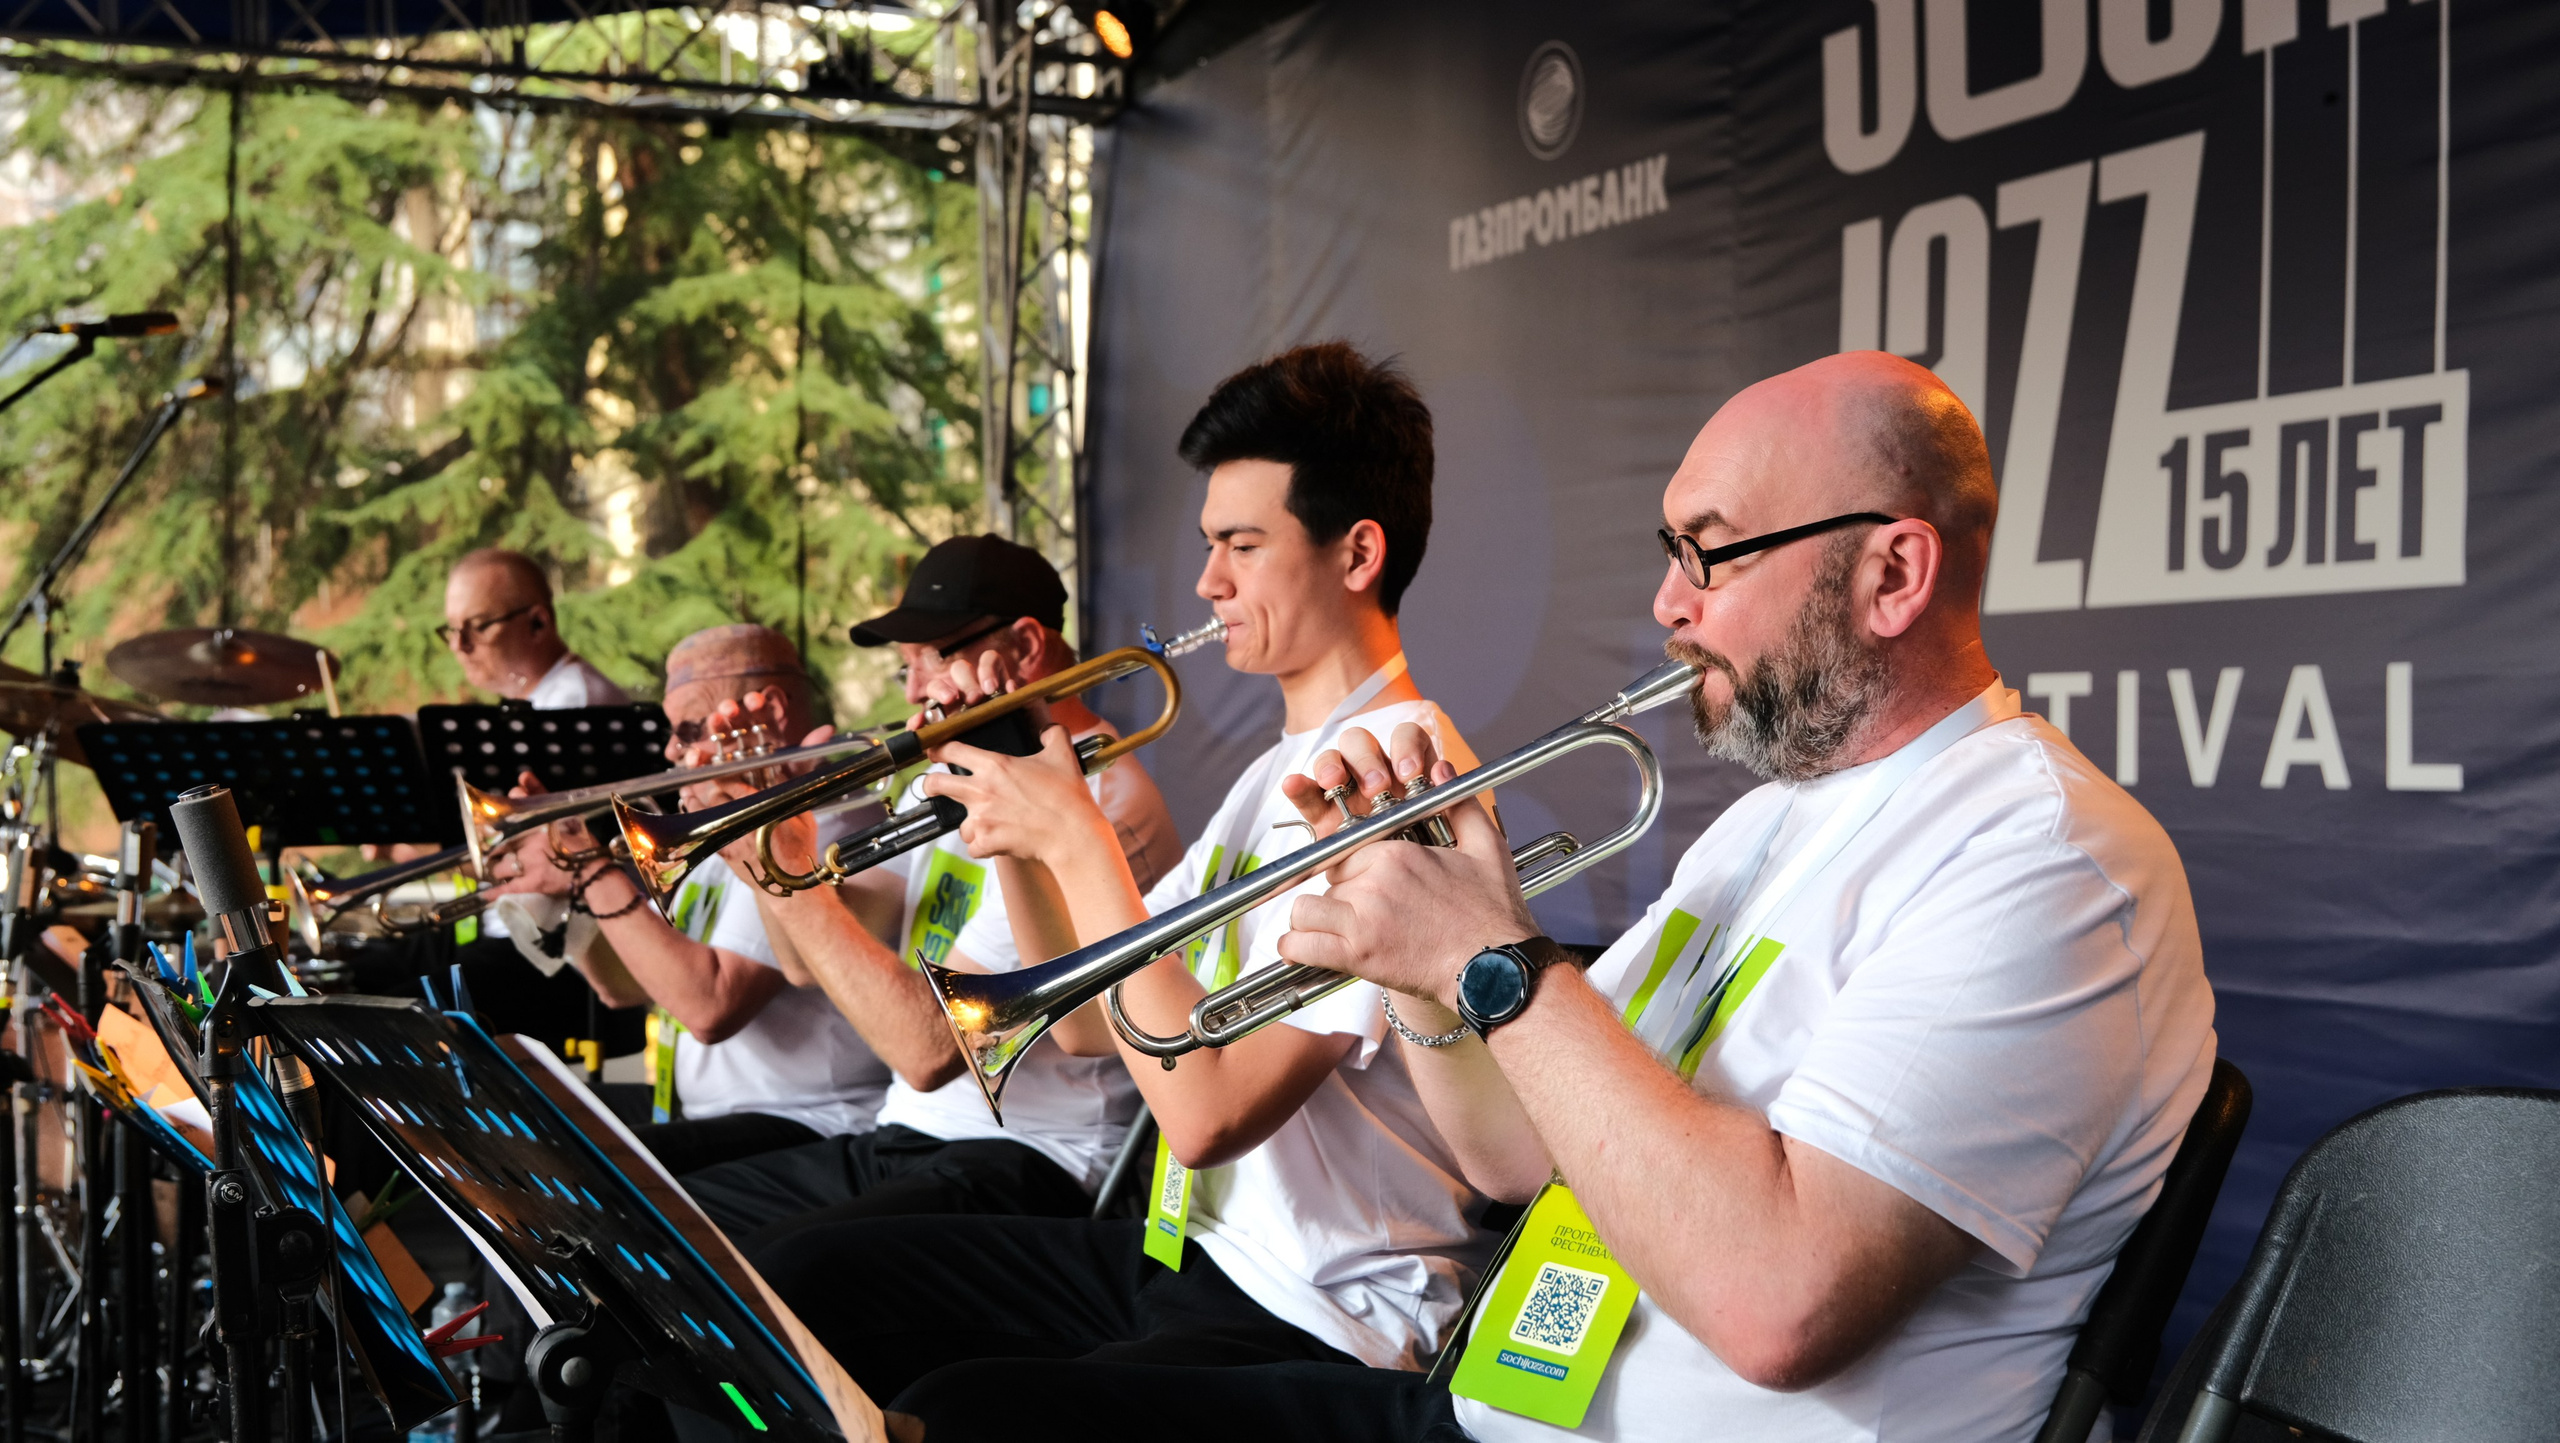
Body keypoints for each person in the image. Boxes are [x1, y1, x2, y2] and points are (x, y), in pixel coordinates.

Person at [1241, 352, 2216, 1442]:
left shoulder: (2044, 859)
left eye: (1708, 551)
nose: (1668, 602)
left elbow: (1780, 1306)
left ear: (1890, 575)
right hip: (1491, 1413)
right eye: (1671, 551)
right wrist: (1425, 970)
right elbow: (1516, 1154)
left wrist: (1494, 960)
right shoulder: (1769, 818)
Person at [741, 341, 1500, 1438]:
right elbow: (1097, 1023)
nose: (1207, 585)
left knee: (954, 1411)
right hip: (1193, 1249)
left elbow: (1205, 1115)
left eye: (1242, 545)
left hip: (1323, 1305)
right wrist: (1014, 818)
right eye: (1207, 546)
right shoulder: (1270, 771)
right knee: (810, 1277)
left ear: (1357, 553)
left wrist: (1086, 845)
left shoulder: (1396, 773)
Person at [669, 535, 1184, 1240]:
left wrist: (797, 892)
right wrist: (765, 850)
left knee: (778, 1266)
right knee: (660, 1214)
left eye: (928, 658)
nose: (910, 690)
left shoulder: (1101, 802)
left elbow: (929, 1050)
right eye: (904, 665)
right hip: (907, 1134)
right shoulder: (946, 777)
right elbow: (805, 961)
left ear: (1027, 647)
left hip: (1026, 1156)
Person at [487, 624, 891, 1176]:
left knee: (574, 1176)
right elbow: (621, 986)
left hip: (808, 1119)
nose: (671, 750)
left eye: (688, 727)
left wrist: (593, 871)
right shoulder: (719, 821)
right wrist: (560, 885)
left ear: (767, 710)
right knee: (510, 1134)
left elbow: (708, 1006)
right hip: (708, 1105)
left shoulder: (825, 820)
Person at [441, 548, 626, 707]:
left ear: (538, 624)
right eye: (453, 628)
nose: (457, 645)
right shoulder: (540, 698)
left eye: (478, 626)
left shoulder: (572, 702)